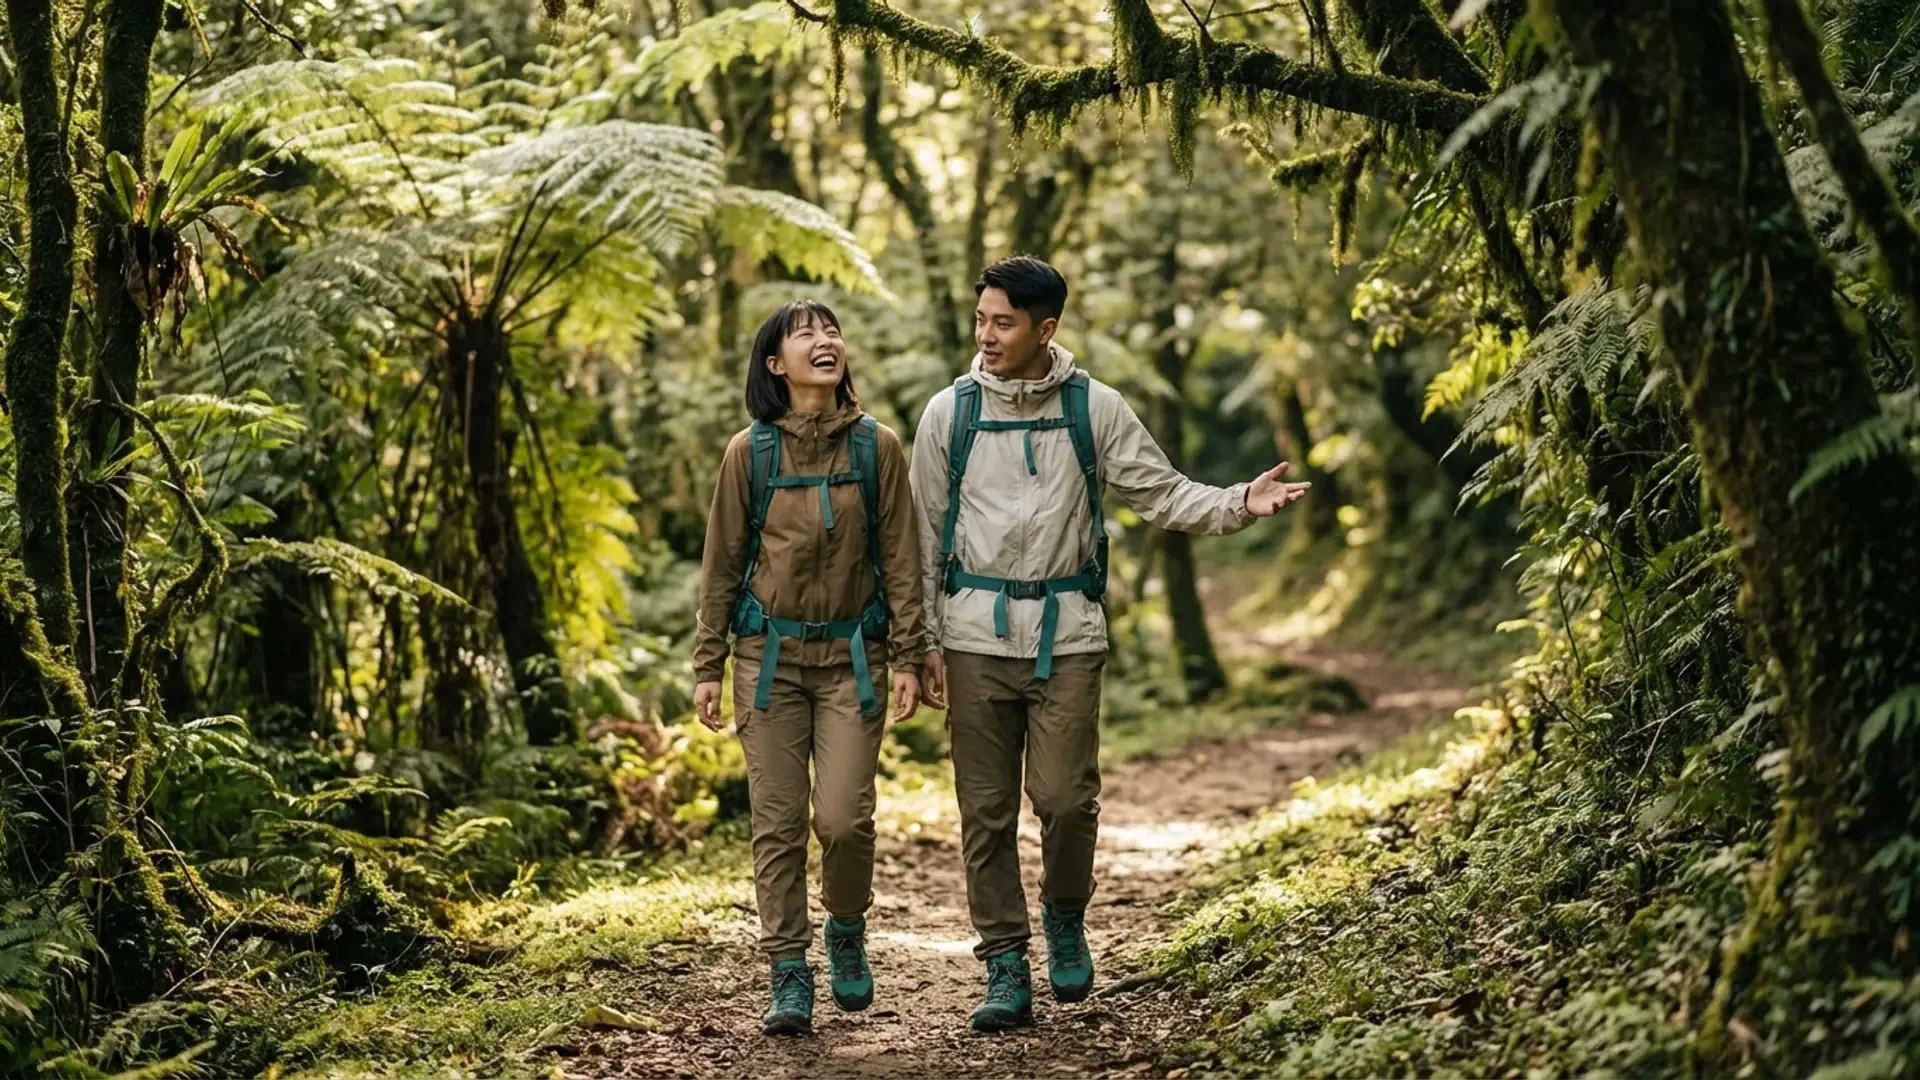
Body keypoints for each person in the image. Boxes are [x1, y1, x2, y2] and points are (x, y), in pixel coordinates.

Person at [908, 256, 1310, 1033]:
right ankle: (1004, 963)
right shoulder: (948, 414)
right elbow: (922, 536)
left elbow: (1163, 492)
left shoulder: (1094, 407)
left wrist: (1239, 502)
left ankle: (1065, 916)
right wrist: (920, 641)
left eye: (1003, 323)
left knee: (1065, 799)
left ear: (1045, 329)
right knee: (984, 811)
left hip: (1068, 635)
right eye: (981, 319)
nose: (985, 335)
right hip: (971, 637)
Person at [693, 299, 925, 1037]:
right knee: (778, 821)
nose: (825, 342)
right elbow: (722, 564)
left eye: (831, 331)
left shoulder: (878, 447)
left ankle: (846, 927)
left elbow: (903, 560)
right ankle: (788, 969)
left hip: (854, 659)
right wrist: (708, 663)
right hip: (770, 663)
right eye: (806, 335)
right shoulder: (750, 453)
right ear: (776, 365)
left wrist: (910, 654)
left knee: (845, 819)